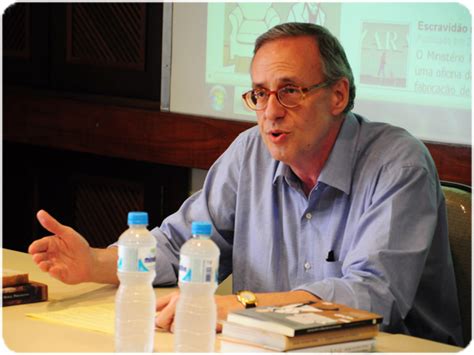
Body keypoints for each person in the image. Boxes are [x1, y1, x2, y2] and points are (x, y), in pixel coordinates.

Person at [28, 22, 462, 346]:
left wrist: (242, 305)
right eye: (259, 94)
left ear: (338, 96)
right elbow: (180, 244)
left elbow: (372, 297)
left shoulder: (399, 165)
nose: (270, 111)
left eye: (289, 91)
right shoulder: (250, 152)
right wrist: (95, 263)